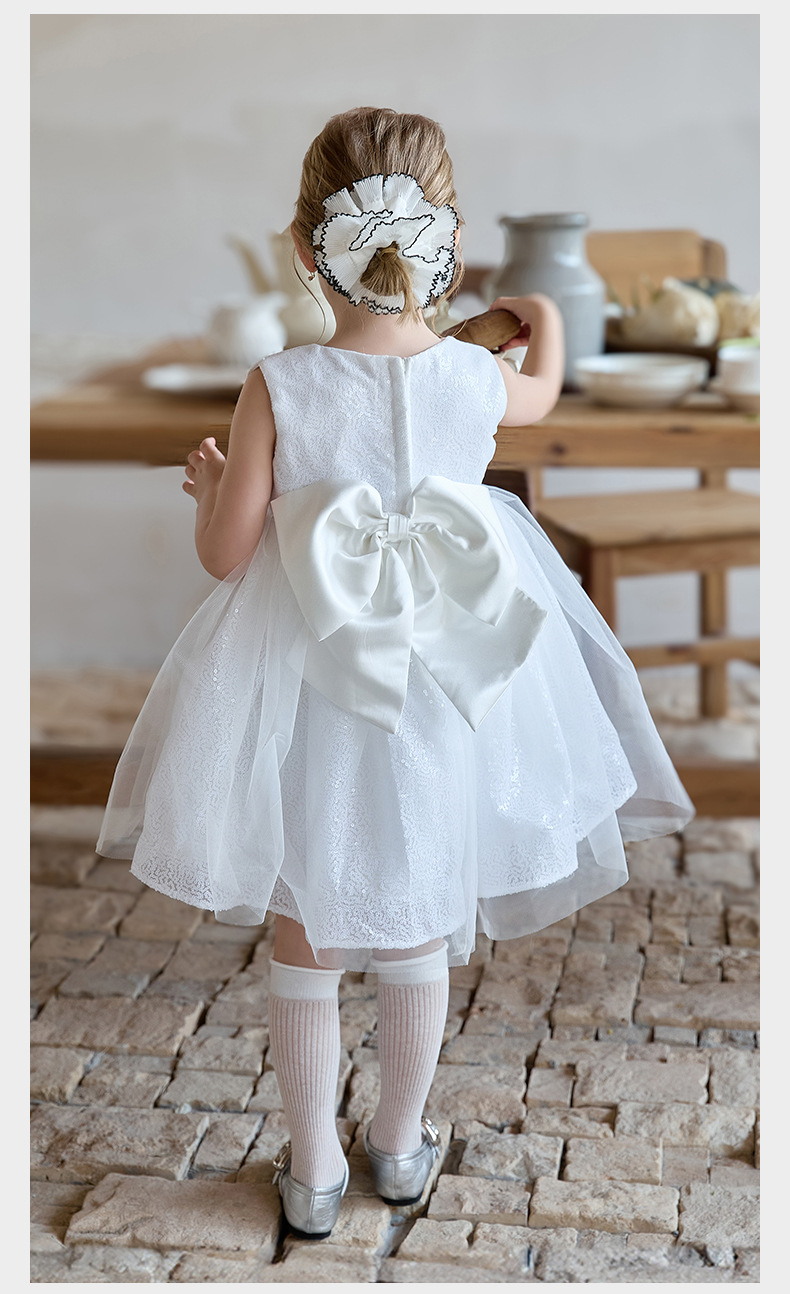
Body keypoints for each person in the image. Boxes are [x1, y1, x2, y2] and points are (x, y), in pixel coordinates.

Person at [96, 106, 694, 1238]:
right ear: (449, 243)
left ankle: (314, 1168)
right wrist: (536, 318)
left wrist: (213, 489)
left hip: (313, 668)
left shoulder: (280, 382)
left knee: (310, 920)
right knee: (419, 910)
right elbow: (542, 392)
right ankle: (399, 1144)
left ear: (301, 243)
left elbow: (228, 554)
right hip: (451, 671)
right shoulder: (476, 379)